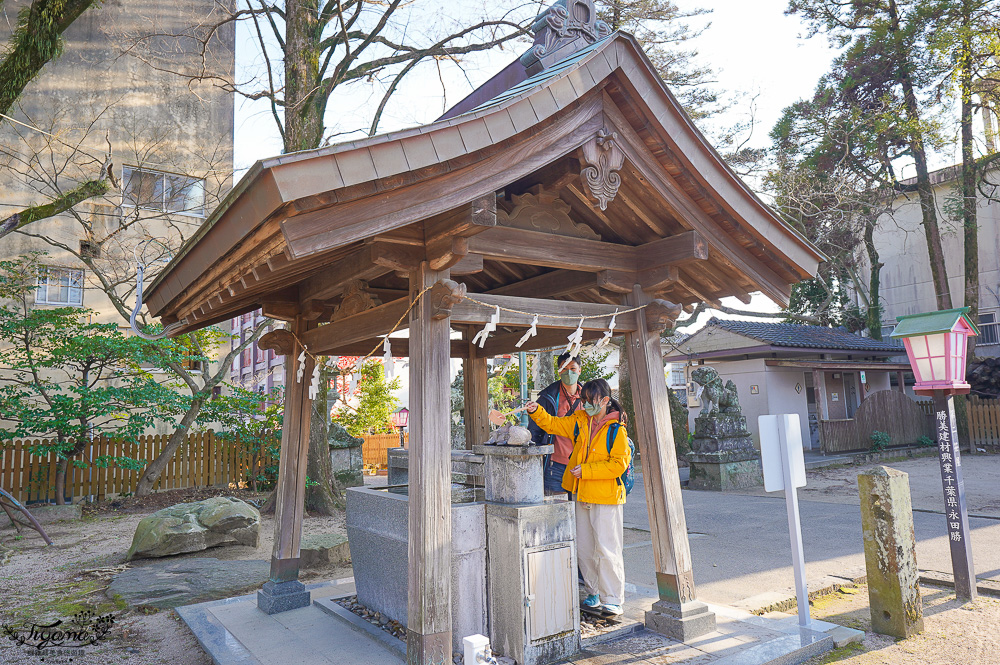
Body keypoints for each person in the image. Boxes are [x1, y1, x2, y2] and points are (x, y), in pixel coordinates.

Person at [526, 378, 630, 616]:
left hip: (606, 497)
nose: (585, 405)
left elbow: (618, 465)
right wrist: (537, 411)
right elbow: (553, 425)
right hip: (582, 494)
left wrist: (587, 471)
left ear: (605, 400)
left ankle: (613, 598)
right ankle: (593, 593)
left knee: (607, 548)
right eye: (583, 401)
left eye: (590, 401)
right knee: (584, 547)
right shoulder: (580, 421)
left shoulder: (617, 429)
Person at [527, 353, 584, 496]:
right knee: (556, 511)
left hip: (582, 464)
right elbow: (535, 432)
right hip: (555, 464)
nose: (568, 372)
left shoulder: (589, 397)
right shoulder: (548, 397)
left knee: (581, 512)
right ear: (559, 371)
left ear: (579, 370)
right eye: (564, 368)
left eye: (572, 368)